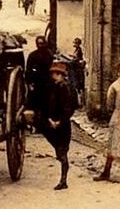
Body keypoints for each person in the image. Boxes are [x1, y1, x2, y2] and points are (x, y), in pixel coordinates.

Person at [42, 61, 77, 190]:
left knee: (62, 151)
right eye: (52, 73)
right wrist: (50, 118)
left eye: (55, 74)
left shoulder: (66, 88)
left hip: (63, 124)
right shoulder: (55, 86)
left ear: (61, 74)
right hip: (55, 121)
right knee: (60, 150)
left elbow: (69, 108)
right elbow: (48, 104)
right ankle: (63, 178)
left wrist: (60, 121)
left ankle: (63, 180)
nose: (53, 76)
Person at [26, 36, 54, 114]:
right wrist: (29, 84)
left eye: (42, 43)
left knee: (47, 104)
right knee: (35, 104)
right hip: (36, 83)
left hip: (47, 83)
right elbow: (28, 70)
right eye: (38, 44)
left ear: (45, 44)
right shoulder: (32, 55)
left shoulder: (49, 55)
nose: (40, 46)